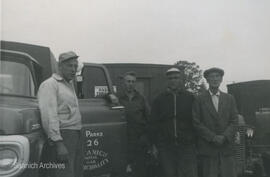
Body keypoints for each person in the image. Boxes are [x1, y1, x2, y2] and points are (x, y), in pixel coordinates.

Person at [38, 51, 82, 177]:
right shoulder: (50, 84)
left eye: (75, 66)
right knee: (63, 173)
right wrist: (58, 143)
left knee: (73, 172)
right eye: (70, 66)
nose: (73, 70)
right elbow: (49, 115)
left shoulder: (69, 84)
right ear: (59, 66)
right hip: (63, 136)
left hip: (75, 134)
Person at [150, 67, 198, 177]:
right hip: (166, 147)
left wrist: (194, 141)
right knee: (169, 174)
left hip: (186, 146)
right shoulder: (159, 99)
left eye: (176, 78)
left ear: (180, 79)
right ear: (167, 80)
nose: (173, 80)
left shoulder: (190, 98)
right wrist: (154, 144)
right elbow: (153, 123)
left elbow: (196, 121)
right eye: (170, 78)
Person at [192, 67, 238, 177]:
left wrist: (225, 136)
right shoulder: (199, 99)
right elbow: (196, 122)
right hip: (208, 148)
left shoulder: (229, 98)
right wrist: (212, 137)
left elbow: (234, 120)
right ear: (207, 80)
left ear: (221, 79)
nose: (215, 79)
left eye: (217, 76)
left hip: (226, 148)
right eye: (211, 76)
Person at [118, 71, 150, 177]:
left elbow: (149, 118)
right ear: (124, 83)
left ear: (135, 83)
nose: (130, 84)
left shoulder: (141, 98)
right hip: (123, 139)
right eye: (128, 81)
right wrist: (109, 96)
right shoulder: (118, 98)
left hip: (139, 139)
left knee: (140, 169)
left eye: (132, 81)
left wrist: (145, 137)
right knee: (123, 169)